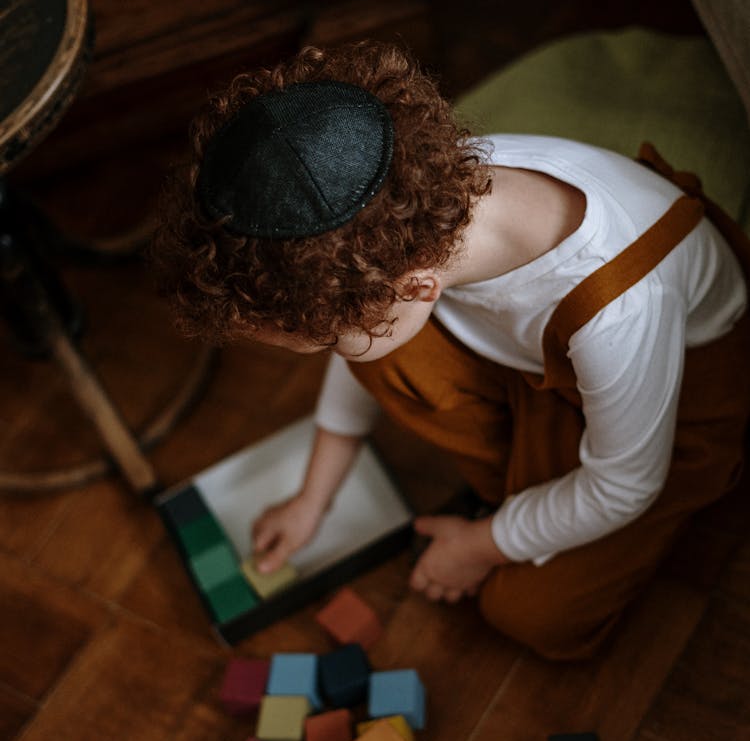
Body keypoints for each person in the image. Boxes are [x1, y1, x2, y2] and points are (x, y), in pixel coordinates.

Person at [151, 39, 750, 660]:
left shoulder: (620, 310)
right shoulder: (407, 205)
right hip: (533, 357)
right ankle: (518, 483)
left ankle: (520, 498)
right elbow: (356, 331)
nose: (329, 352)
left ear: (418, 287)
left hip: (665, 399)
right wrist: (313, 497)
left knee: (531, 615)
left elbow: (627, 484)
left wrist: (479, 545)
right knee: (378, 351)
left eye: (327, 340)